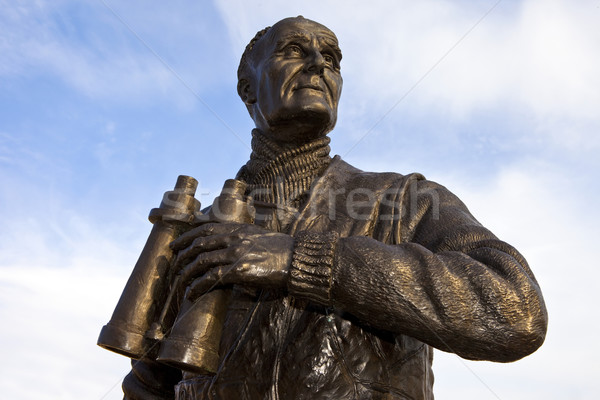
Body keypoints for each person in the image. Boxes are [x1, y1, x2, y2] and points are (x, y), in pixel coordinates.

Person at [122, 16, 547, 399]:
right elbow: (150, 386)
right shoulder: (202, 230)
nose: (317, 64)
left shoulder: (403, 200)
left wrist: (302, 260)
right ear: (247, 88)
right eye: (293, 50)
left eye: (331, 58)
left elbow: (518, 311)